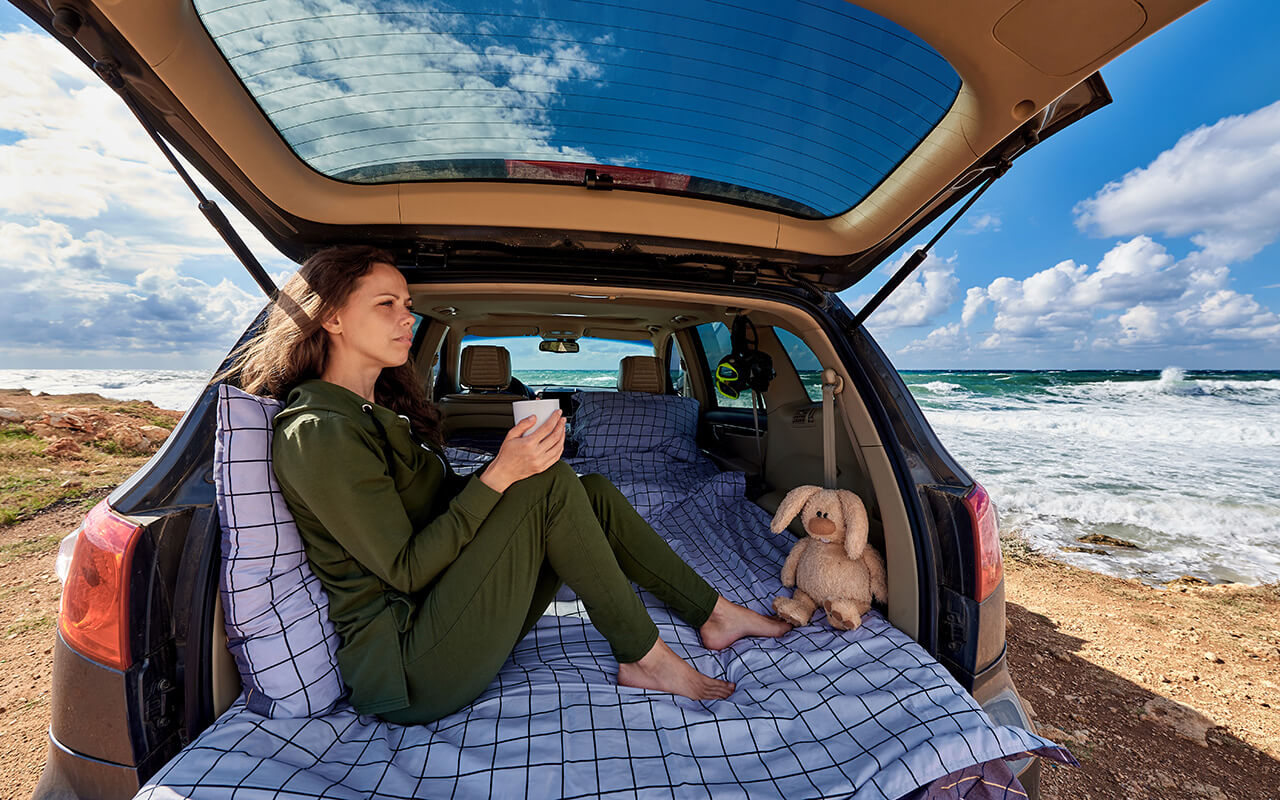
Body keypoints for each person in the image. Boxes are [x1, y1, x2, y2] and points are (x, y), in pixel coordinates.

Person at [228, 244, 790, 724]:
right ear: (331, 318)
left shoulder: (376, 413)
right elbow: (405, 569)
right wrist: (501, 474)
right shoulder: (319, 431)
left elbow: (434, 514)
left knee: (584, 487)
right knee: (546, 485)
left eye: (407, 305)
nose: (406, 317)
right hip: (411, 668)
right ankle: (643, 656)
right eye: (386, 304)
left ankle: (710, 612)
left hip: (448, 615)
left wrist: (511, 470)